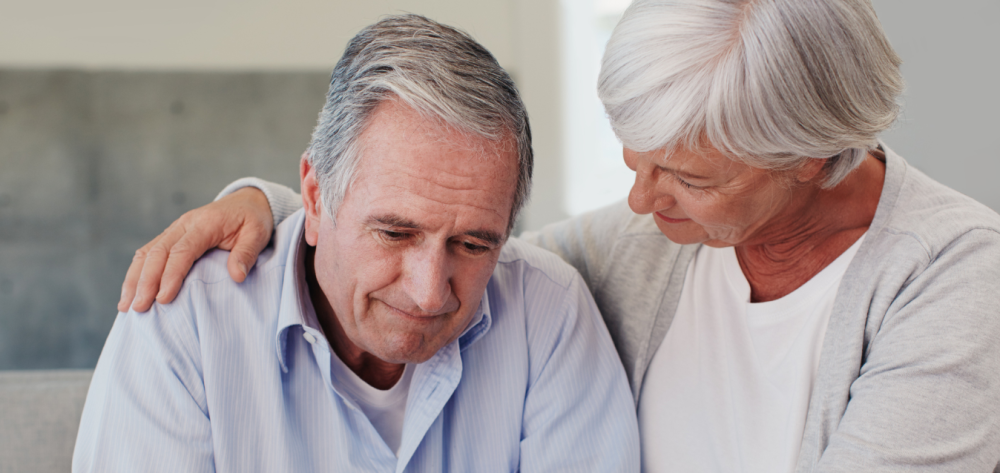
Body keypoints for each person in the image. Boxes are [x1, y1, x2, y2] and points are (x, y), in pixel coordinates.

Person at [119, 1, 1000, 471]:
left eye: (689, 177)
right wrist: (278, 209)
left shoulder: (956, 280)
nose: (641, 199)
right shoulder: (653, 241)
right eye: (636, 158)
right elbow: (462, 238)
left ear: (813, 157)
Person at [75, 15, 639, 472]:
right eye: (395, 233)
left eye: (472, 245)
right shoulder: (184, 320)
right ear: (316, 199)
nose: (427, 293)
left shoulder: (551, 314)